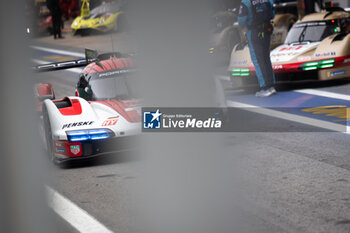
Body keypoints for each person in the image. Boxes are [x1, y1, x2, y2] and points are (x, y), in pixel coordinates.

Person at [238, 0, 276, 97]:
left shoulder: (246, 2)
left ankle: (264, 87)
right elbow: (272, 14)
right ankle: (271, 85)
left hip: (254, 32)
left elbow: (241, 21)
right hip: (266, 30)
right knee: (266, 57)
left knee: (258, 60)